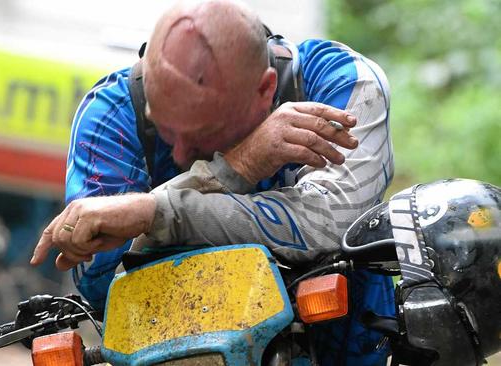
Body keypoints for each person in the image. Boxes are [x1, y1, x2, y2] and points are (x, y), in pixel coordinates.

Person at [31, 0, 395, 364]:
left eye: (204, 132)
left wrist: (156, 212)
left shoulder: (342, 81)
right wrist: (234, 167)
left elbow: (329, 223)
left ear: (265, 90)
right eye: (164, 128)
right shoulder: (112, 114)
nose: (179, 154)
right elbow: (105, 285)